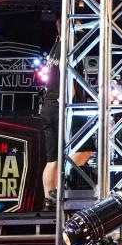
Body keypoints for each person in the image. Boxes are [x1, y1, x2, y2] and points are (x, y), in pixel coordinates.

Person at [41, 20, 94, 210]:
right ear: (71, 25)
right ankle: (62, 182)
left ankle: (49, 199)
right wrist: (69, 101)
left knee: (52, 159)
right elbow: (67, 74)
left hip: (48, 104)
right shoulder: (68, 46)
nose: (82, 29)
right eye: (79, 24)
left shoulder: (56, 44)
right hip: (63, 106)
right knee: (86, 149)